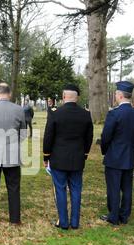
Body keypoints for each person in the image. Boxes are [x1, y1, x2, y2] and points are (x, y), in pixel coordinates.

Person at [43, 84, 93, 230]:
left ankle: (64, 222)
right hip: (77, 158)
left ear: (64, 96)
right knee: (76, 190)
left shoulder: (55, 113)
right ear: (76, 98)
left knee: (60, 190)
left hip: (59, 159)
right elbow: (89, 137)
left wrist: (46, 157)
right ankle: (75, 222)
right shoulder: (85, 114)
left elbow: (48, 137)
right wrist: (84, 154)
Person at [0, 83, 27, 227]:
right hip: (12, 154)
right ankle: (14, 219)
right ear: (10, 93)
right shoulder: (19, 110)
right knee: (14, 187)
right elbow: (24, 133)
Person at [100, 81, 134, 226]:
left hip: (115, 156)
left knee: (113, 187)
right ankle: (124, 215)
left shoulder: (114, 113)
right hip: (129, 155)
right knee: (127, 188)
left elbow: (106, 136)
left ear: (119, 95)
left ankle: (113, 216)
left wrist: (105, 151)